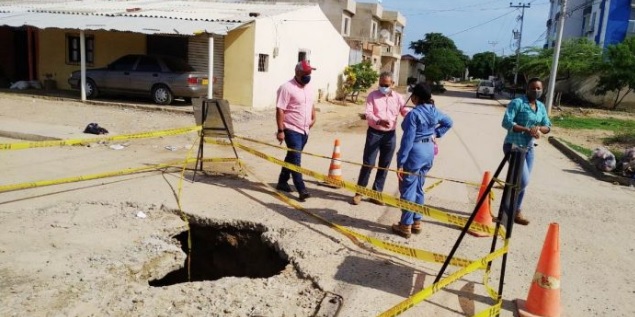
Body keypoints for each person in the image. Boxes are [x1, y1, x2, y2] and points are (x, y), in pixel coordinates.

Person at [392, 83, 453, 238]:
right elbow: (449, 122)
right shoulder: (434, 110)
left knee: (408, 189)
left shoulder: (414, 114)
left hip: (415, 153)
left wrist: (400, 162)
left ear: (415, 97)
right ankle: (417, 221)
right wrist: (435, 134)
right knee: (419, 187)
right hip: (429, 152)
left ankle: (406, 225)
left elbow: (407, 141)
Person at [351, 71, 409, 206]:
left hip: (390, 135)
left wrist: (415, 114)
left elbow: (405, 110)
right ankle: (359, 192)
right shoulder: (372, 96)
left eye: (386, 84)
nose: (383, 87)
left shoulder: (398, 97)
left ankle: (376, 193)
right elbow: (368, 113)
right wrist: (379, 121)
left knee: (384, 166)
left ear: (392, 84)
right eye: (381, 84)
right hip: (374, 133)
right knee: (368, 163)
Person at [501, 77, 551, 225]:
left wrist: (539, 129)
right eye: (533, 88)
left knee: (522, 181)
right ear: (527, 89)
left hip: (529, 149)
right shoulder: (517, 103)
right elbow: (506, 122)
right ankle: (507, 209)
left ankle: (516, 211)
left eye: (538, 88)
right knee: (523, 180)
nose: (536, 91)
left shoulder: (541, 106)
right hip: (514, 146)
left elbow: (548, 126)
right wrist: (526, 129)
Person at [275, 60, 317, 202]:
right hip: (291, 129)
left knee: (292, 156)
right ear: (298, 72)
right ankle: (301, 189)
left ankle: (282, 181)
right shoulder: (286, 88)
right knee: (296, 159)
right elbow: (280, 109)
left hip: (305, 130)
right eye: (306, 73)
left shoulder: (309, 87)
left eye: (310, 73)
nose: (309, 75)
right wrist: (280, 130)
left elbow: (311, 103)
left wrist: (314, 117)